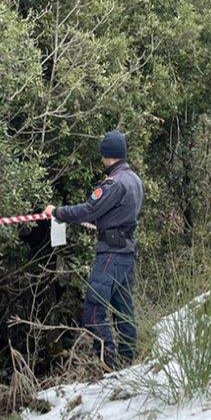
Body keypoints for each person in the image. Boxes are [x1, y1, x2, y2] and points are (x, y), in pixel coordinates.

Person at [44, 131, 144, 367]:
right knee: (123, 310)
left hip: (110, 253)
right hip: (126, 253)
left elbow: (88, 210)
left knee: (92, 309)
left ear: (105, 155)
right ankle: (127, 361)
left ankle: (107, 361)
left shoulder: (114, 183)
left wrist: (56, 212)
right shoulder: (135, 180)